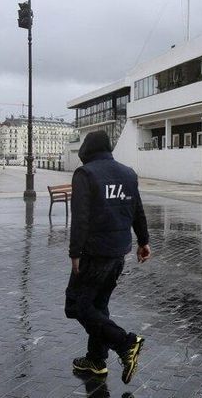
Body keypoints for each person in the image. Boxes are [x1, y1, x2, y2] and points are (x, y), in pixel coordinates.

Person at [65, 130, 151, 384]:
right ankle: (95, 359)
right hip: (118, 252)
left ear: (87, 150)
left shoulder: (85, 174)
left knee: (76, 305)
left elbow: (80, 218)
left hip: (93, 253)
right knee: (98, 305)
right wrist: (144, 241)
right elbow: (137, 210)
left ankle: (125, 343)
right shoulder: (128, 173)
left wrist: (75, 252)